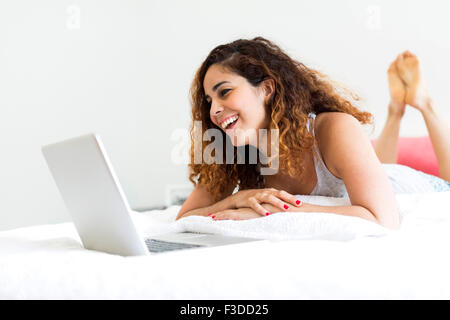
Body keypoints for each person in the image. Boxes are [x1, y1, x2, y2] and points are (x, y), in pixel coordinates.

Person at [176, 37, 450, 230]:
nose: (214, 111)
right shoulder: (234, 151)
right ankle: (396, 110)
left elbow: (383, 219)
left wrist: (277, 211)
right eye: (209, 101)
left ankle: (422, 103)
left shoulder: (334, 128)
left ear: (267, 89)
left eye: (224, 92)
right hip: (380, 171)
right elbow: (185, 217)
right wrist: (237, 199)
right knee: (382, 164)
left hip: (411, 185)